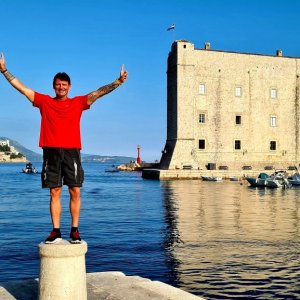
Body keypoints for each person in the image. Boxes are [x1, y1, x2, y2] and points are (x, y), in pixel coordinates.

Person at [0, 53, 128, 244]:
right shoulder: (45, 102)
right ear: (54, 86)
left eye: (64, 84)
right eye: (58, 84)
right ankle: (55, 231)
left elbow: (98, 93)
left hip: (71, 151)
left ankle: (75, 230)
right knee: (55, 192)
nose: (61, 87)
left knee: (75, 190)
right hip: (50, 151)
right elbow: (23, 89)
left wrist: (117, 82)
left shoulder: (77, 103)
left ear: (69, 87)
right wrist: (4, 71)